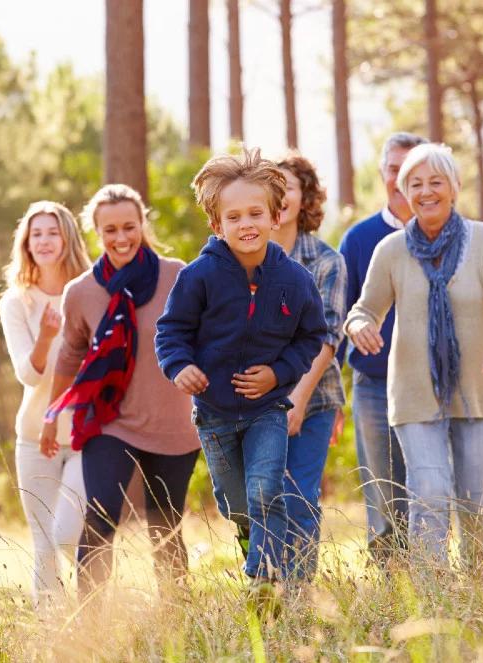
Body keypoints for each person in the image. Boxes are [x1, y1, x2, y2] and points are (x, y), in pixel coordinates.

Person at [344, 143, 483, 570]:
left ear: (455, 188)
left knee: (475, 499)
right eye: (415, 184)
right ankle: (435, 591)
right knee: (427, 490)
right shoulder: (390, 250)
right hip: (413, 392)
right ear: (404, 193)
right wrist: (360, 327)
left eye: (435, 182)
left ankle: (477, 577)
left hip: (478, 389)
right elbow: (363, 309)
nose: (425, 192)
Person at [155, 148, 326, 595]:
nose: (246, 224)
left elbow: (312, 337)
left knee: (266, 489)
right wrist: (182, 367)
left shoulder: (295, 280)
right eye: (234, 217)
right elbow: (171, 331)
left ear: (276, 216)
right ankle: (257, 546)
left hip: (266, 408)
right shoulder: (199, 277)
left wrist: (279, 373)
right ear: (217, 225)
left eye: (256, 213)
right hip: (213, 413)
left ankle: (264, 581)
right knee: (236, 504)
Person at [40, 184, 201, 599]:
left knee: (165, 523)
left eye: (129, 226)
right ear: (96, 231)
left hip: (172, 424)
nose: (121, 237)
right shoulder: (81, 292)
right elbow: (70, 357)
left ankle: (177, 612)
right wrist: (50, 416)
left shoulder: (177, 275)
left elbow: (203, 336)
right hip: (109, 422)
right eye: (110, 229)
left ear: (142, 224)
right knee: (100, 518)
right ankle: (90, 620)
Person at [338, 131, 427, 562]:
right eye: (394, 169)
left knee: (433, 483)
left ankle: (436, 572)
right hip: (373, 384)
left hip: (434, 381)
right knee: (383, 487)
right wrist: (333, 396)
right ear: (383, 174)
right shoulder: (358, 239)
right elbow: (340, 315)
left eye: (412, 170)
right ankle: (392, 582)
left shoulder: (450, 236)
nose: (402, 180)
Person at [0, 201, 92, 607]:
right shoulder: (17, 302)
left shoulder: (91, 290)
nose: (44, 240)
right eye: (36, 233)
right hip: (34, 435)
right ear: (26, 243)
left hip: (89, 435)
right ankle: (50, 632)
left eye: (52, 232)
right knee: (43, 542)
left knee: (72, 534)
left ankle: (96, 615)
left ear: (67, 238)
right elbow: (29, 374)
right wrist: (45, 337)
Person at [270, 152, 347, 582]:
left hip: (313, 399)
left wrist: (296, 401)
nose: (281, 198)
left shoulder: (325, 261)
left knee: (298, 495)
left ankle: (298, 595)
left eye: (290, 189)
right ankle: (264, 586)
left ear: (305, 199)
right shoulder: (244, 255)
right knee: (261, 497)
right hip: (256, 398)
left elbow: (327, 338)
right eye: (273, 189)